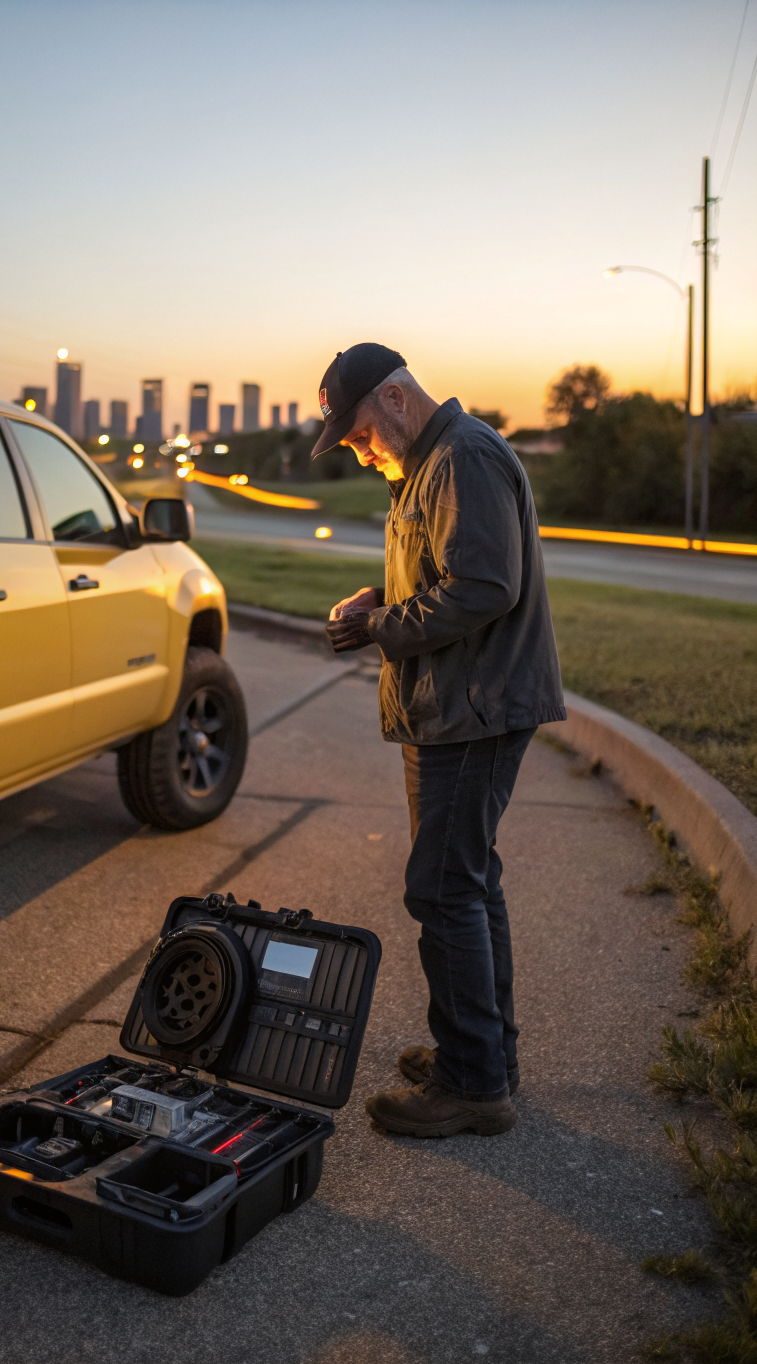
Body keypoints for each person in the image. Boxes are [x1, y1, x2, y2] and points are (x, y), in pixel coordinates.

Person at [316, 343, 565, 1138]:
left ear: (394, 398)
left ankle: (472, 1084)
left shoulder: (464, 457)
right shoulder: (427, 465)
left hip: (475, 708)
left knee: (445, 889)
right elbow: (444, 571)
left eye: (358, 434)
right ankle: (484, 1055)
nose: (360, 451)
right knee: (468, 881)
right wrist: (379, 596)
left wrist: (382, 626)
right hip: (451, 706)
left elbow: (488, 586)